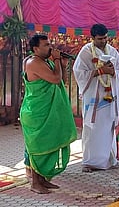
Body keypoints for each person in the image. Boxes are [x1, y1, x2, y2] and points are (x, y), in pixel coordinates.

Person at [21, 34, 77, 194]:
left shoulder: (46, 61)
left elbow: (62, 80)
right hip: (36, 113)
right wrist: (57, 61)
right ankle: (35, 183)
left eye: (49, 44)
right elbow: (54, 78)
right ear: (35, 49)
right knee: (38, 147)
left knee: (48, 144)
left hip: (47, 112)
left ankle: (43, 180)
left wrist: (62, 63)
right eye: (46, 45)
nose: (50, 47)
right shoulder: (33, 62)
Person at [73, 24, 119, 172]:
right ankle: (90, 162)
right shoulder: (86, 52)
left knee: (108, 128)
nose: (103, 41)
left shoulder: (112, 51)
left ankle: (109, 159)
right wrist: (100, 71)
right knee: (93, 129)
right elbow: (79, 73)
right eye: (100, 39)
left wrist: (113, 72)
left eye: (105, 38)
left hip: (110, 99)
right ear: (92, 38)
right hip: (94, 100)